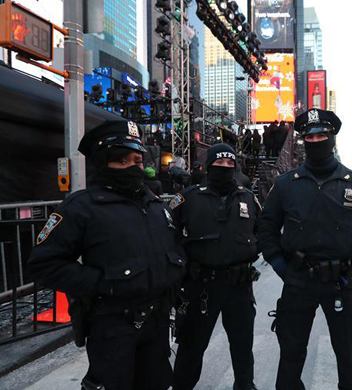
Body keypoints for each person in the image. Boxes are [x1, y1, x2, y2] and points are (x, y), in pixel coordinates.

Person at [28, 121, 186, 390]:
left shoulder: (156, 205)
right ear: (104, 163)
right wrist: (102, 283)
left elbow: (171, 249)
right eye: (122, 160)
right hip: (113, 325)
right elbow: (44, 264)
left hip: (156, 323)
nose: (133, 167)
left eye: (137, 160)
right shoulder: (82, 207)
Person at [258, 108, 352, 390]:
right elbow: (265, 230)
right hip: (298, 281)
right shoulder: (285, 186)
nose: (316, 141)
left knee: (348, 357)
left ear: (332, 138)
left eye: (321, 135)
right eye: (309, 137)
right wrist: (282, 268)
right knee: (290, 355)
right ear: (303, 141)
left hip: (342, 282)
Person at [171, 144, 260, 390]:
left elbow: (263, 231)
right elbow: (169, 236)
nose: (225, 169)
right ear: (209, 166)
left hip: (239, 286)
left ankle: (245, 386)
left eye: (230, 165)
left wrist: (250, 250)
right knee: (191, 345)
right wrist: (181, 269)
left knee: (243, 345)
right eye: (219, 165)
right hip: (201, 286)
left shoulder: (248, 198)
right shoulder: (188, 198)